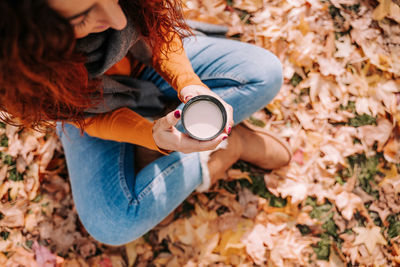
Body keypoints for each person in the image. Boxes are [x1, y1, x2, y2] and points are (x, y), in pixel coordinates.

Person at [0, 0, 292, 245]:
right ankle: (230, 146)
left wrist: (189, 83)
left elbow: (158, 31)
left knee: (265, 73)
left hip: (148, 62)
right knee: (112, 224)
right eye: (81, 18)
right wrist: (149, 135)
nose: (117, 20)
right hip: (86, 110)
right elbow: (88, 118)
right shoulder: (20, 72)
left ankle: (169, 158)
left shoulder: (119, 12)